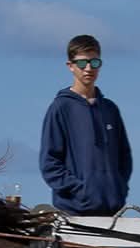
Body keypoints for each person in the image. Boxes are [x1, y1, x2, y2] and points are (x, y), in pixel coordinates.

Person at [39, 34, 133, 217]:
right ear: (71, 66)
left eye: (94, 63)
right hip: (74, 213)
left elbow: (124, 157)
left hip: (112, 211)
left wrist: (119, 189)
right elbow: (49, 162)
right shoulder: (60, 107)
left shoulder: (110, 109)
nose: (88, 69)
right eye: (82, 63)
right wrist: (79, 191)